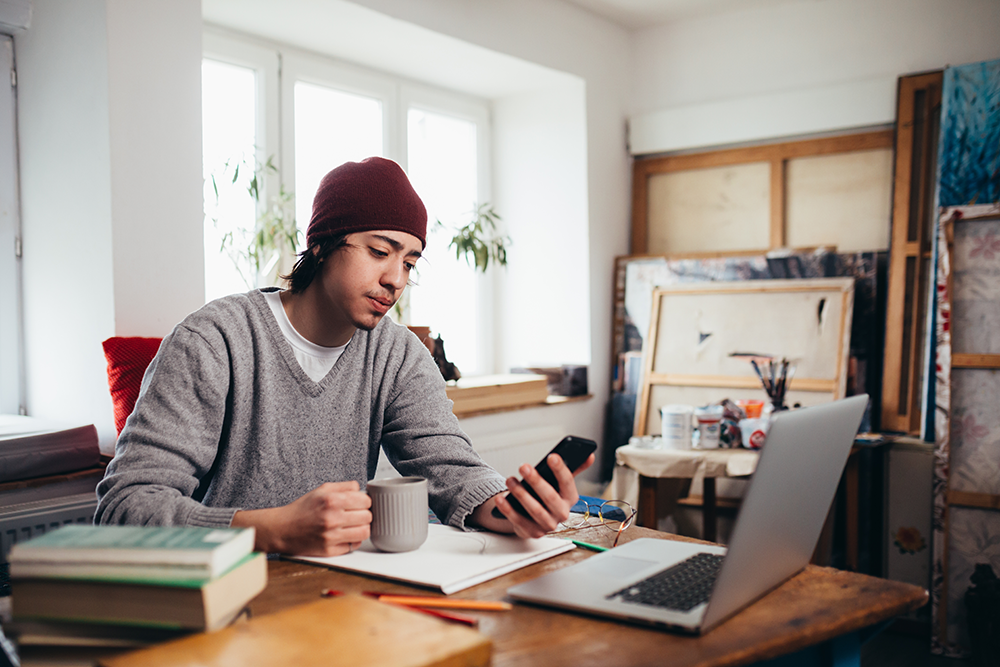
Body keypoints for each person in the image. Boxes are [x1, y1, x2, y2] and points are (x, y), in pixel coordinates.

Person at [95, 156, 594, 556]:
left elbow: (455, 471)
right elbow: (126, 507)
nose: (396, 279)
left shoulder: (396, 354)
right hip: (221, 597)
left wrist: (514, 508)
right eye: (380, 251)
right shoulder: (215, 340)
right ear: (321, 244)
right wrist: (271, 530)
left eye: (410, 261)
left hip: (340, 596)